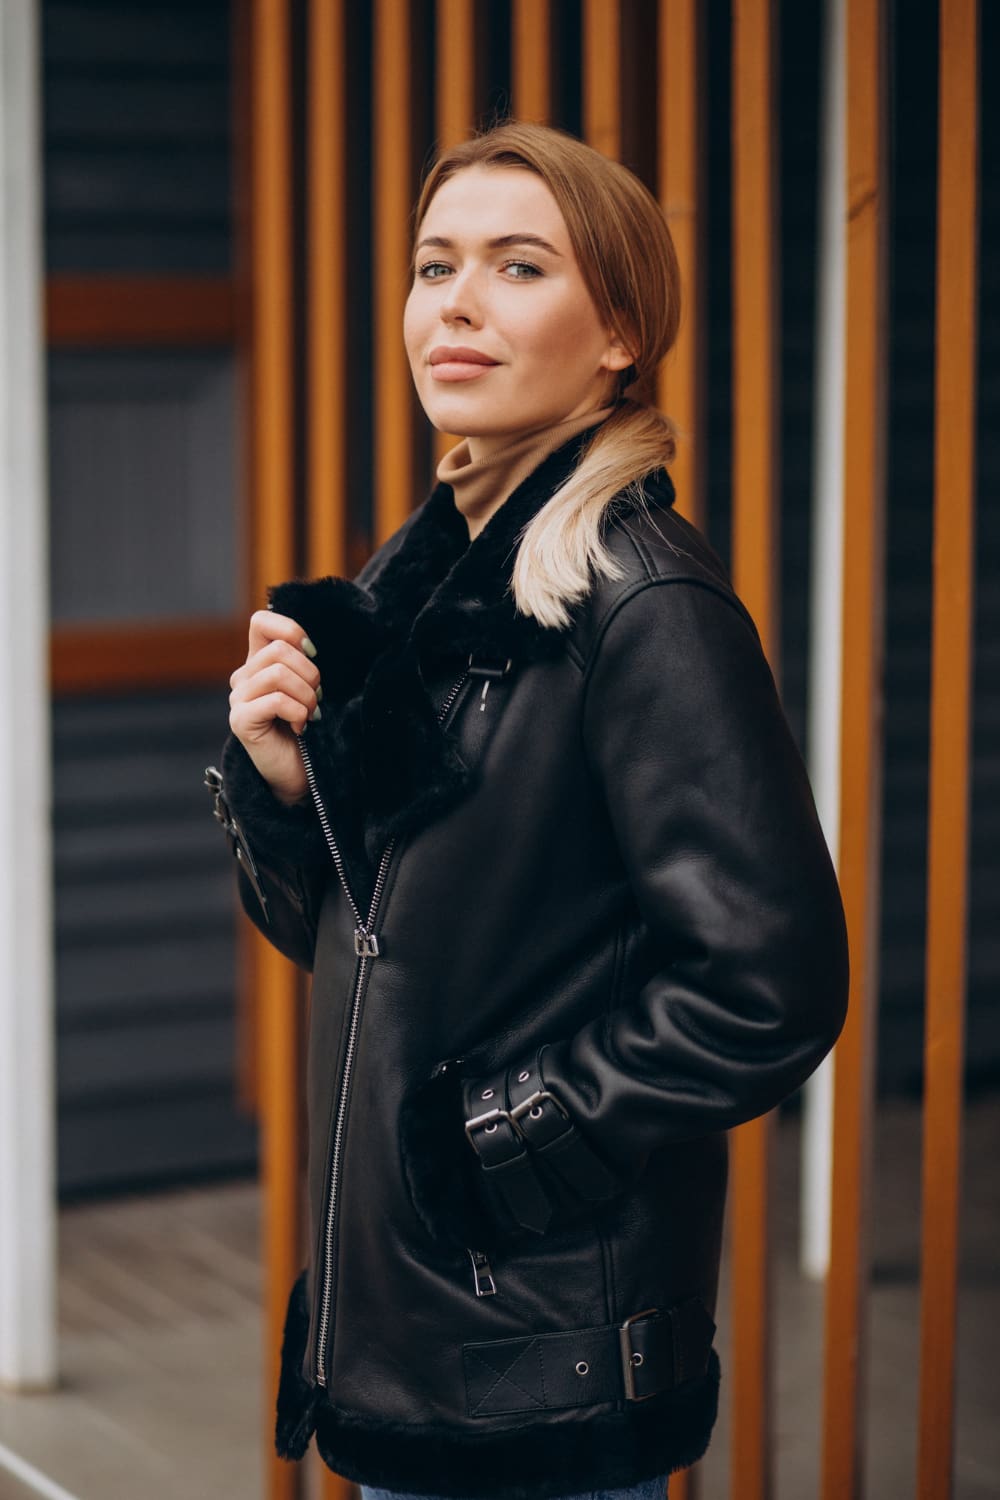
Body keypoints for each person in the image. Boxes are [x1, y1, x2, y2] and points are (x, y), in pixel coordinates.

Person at [208, 119, 849, 1500]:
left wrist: (492, 1147)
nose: (458, 301)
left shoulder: (641, 601)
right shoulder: (431, 596)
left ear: (619, 329)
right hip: (419, 1346)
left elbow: (770, 982)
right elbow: (380, 951)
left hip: (534, 1372)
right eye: (437, 264)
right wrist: (280, 794)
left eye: (518, 265)